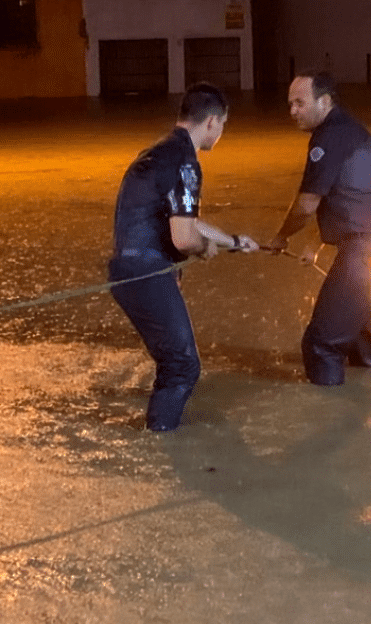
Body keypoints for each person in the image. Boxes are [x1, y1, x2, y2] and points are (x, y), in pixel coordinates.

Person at [108, 82, 259, 432]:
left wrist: (232, 241)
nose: (220, 133)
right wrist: (202, 247)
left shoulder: (159, 153)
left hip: (127, 270)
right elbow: (184, 237)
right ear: (212, 122)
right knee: (182, 366)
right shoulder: (187, 165)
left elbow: (186, 222)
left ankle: (159, 433)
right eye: (222, 126)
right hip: (145, 273)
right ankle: (162, 443)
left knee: (172, 362)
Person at [266, 70, 371, 386]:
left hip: (363, 251)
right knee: (359, 335)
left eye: (299, 103)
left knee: (321, 344)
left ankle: (329, 421)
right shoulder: (354, 132)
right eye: (289, 104)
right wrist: (315, 243)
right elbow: (350, 194)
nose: (292, 111)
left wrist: (281, 237)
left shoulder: (327, 139)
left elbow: (308, 203)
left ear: (324, 101)